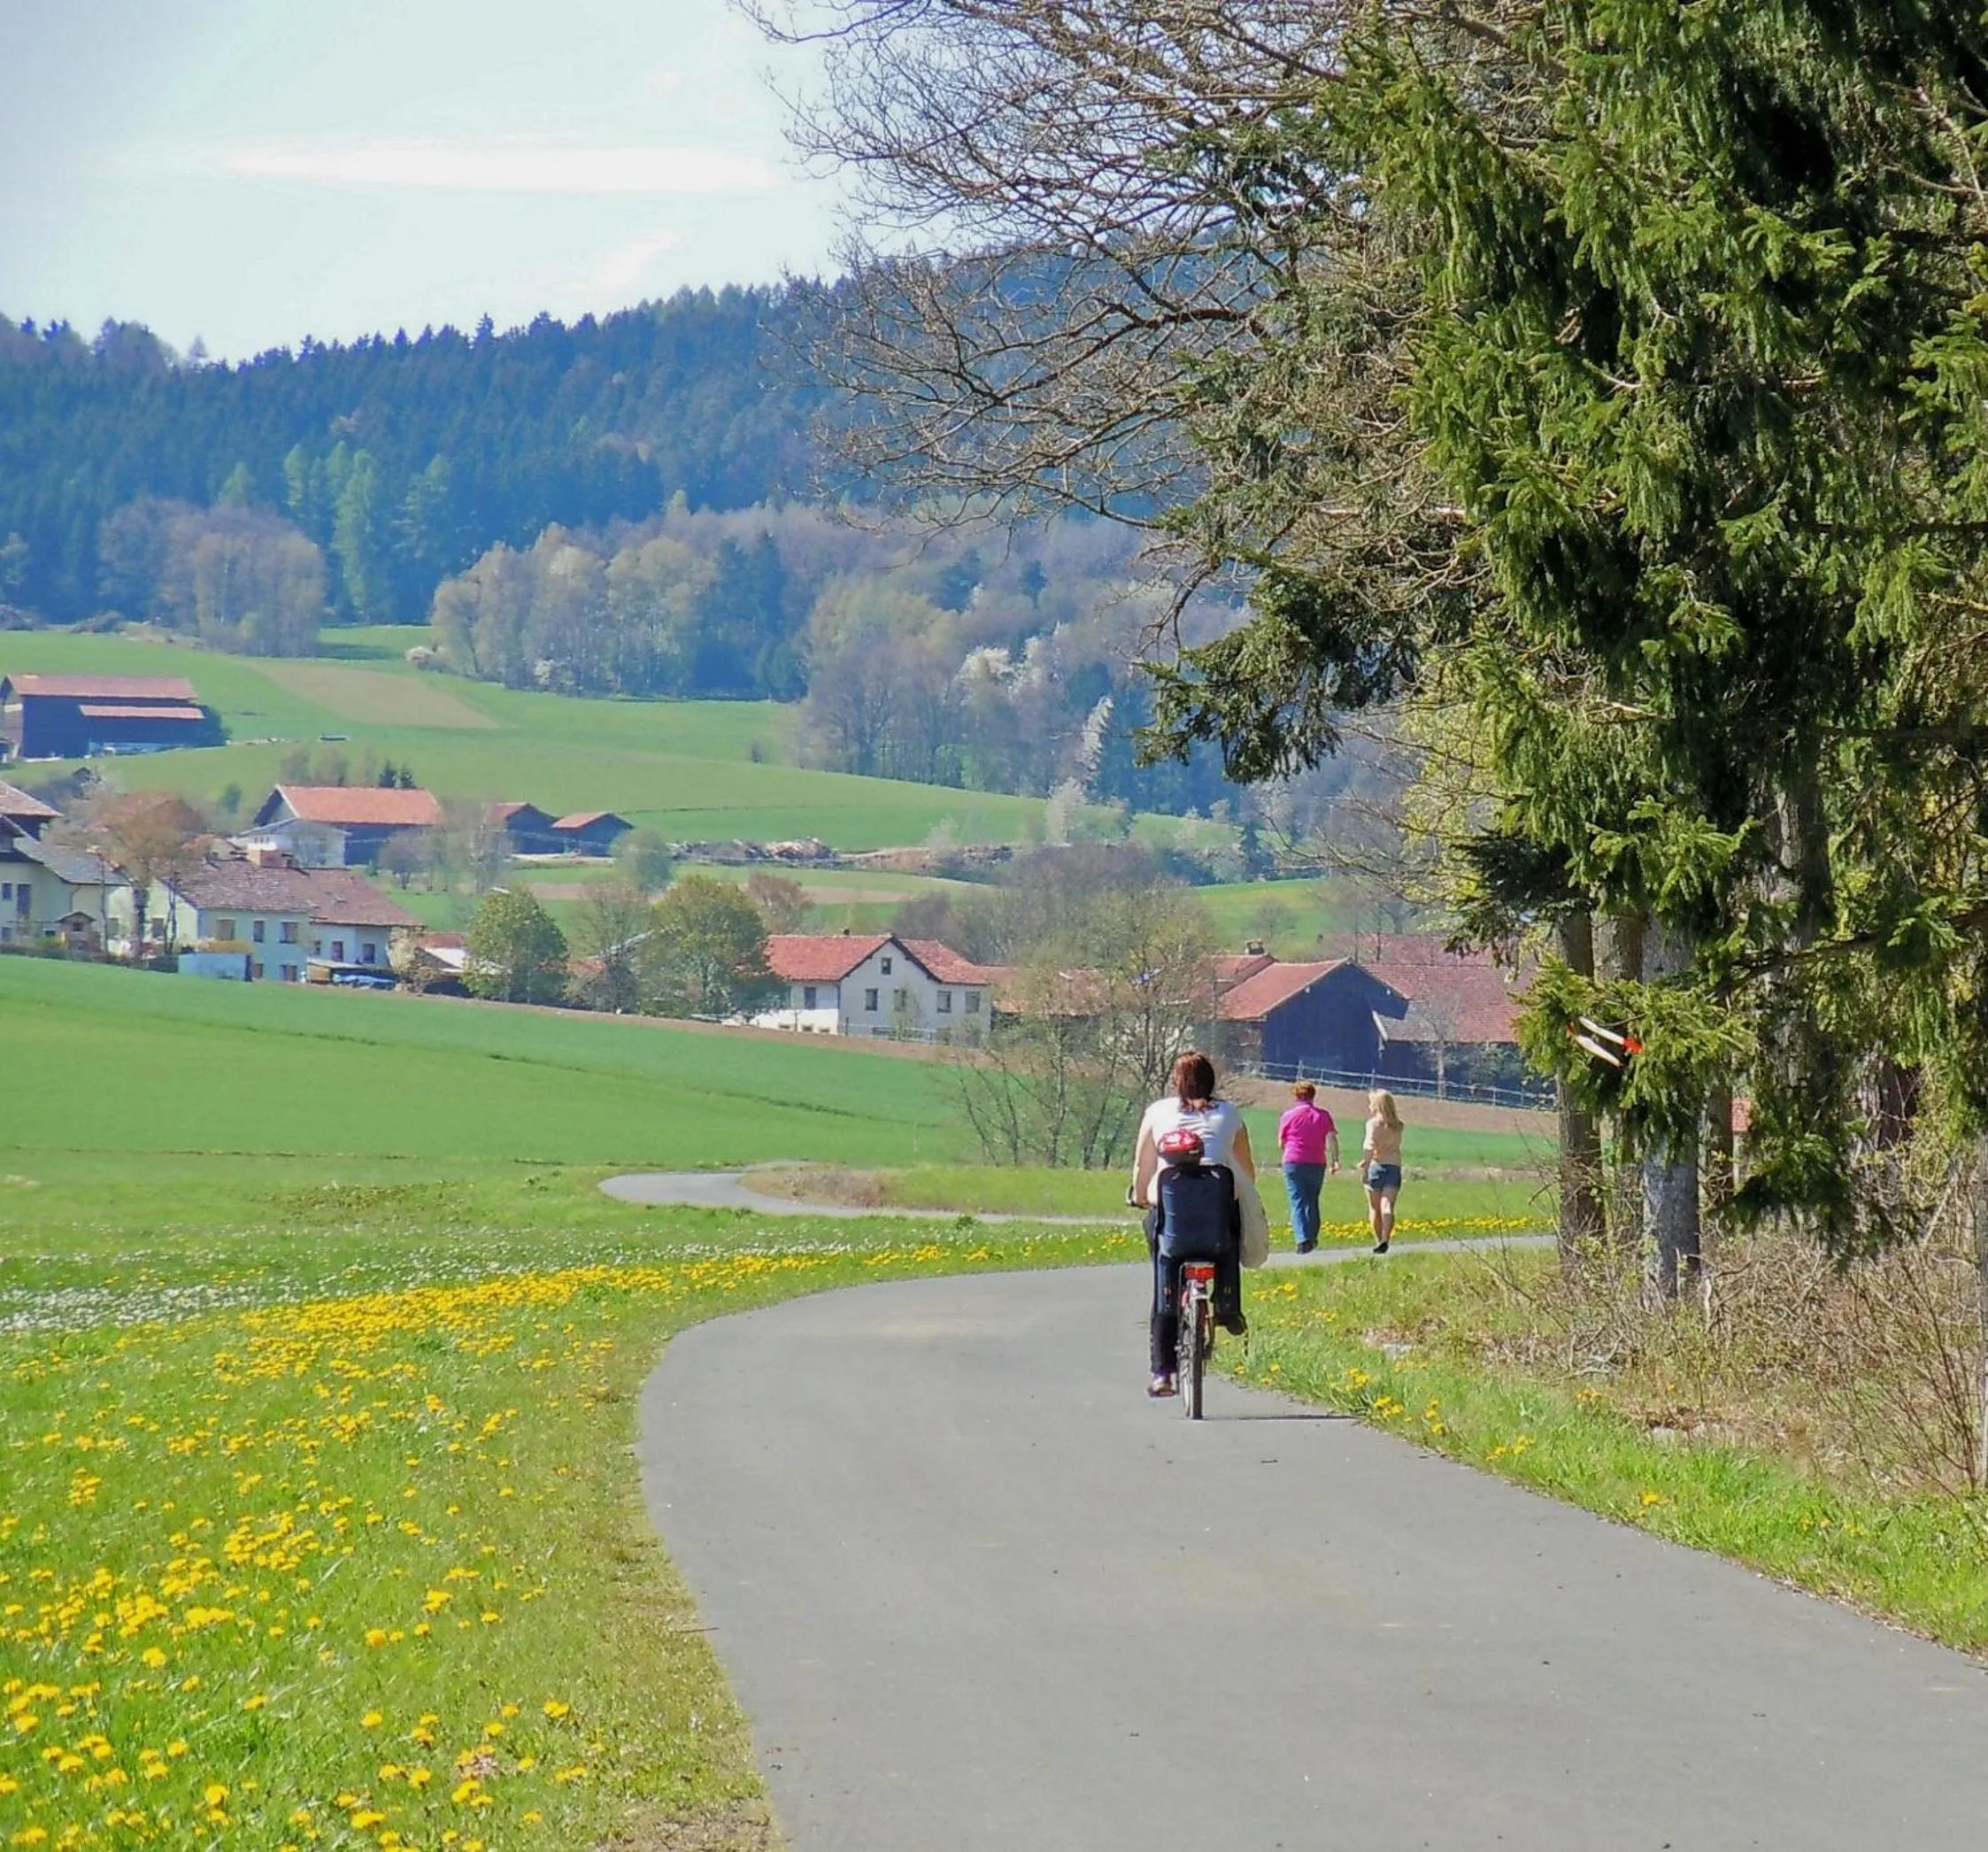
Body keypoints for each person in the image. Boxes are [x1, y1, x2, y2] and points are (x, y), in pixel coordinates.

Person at [1129, 1050, 1261, 1399]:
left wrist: (1142, 1195)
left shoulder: (1157, 1112)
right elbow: (1247, 1169)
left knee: (1165, 1282)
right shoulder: (1230, 1114)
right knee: (1228, 1239)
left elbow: (1143, 1167)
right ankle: (1229, 1306)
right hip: (1217, 1214)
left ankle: (1162, 1374)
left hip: (1171, 1216)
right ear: (1212, 1081)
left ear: (1177, 1082)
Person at [1276, 1081, 1340, 1254]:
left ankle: (1301, 1239)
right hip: (1316, 1162)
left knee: (1296, 1200)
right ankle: (1312, 1238)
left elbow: (1281, 1142)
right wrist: (1335, 1160)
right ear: (1313, 1095)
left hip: (1293, 1161)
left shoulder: (1288, 1116)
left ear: (1296, 1096)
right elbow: (1332, 1139)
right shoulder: (1323, 1115)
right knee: (1312, 1200)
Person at [1361, 1088, 1405, 1254]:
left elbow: (1369, 1146)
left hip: (1376, 1166)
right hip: (1393, 1166)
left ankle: (1378, 1240)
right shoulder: (1398, 1126)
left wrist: (1365, 1165)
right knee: (1387, 1206)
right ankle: (1386, 1238)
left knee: (1374, 1208)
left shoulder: (1372, 1124)